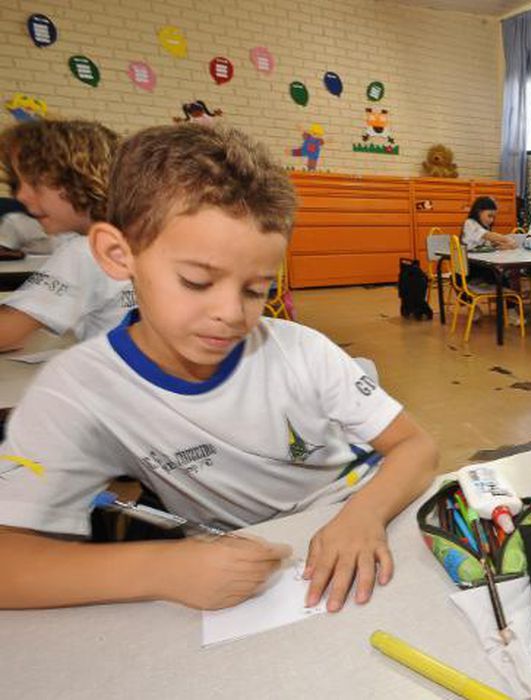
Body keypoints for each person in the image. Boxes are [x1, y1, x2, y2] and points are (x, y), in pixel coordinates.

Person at [0, 124, 438, 612]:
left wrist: (364, 514)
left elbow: (415, 446)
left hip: (367, 510)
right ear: (117, 254)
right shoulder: (78, 389)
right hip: (256, 560)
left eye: (256, 290)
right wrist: (163, 567)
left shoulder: (301, 350)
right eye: (196, 281)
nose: (232, 313)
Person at [0, 120, 134, 350]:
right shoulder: (135, 237)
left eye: (33, 182)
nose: (20, 196)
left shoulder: (86, 251)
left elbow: (6, 334)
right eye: (17, 184)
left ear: (81, 179)